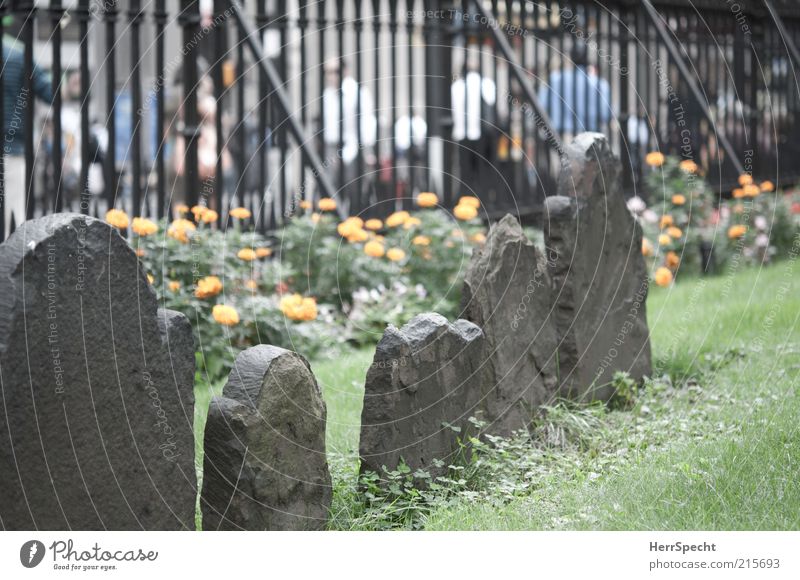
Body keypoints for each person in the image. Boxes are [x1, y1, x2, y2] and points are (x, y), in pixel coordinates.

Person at [2, 23, 54, 233]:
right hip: (13, 150)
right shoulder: (18, 55)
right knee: (13, 221)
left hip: (13, 148)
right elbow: (52, 93)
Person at [321, 59, 376, 197]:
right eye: (328, 72)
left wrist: (367, 151)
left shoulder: (358, 91)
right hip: (331, 148)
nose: (331, 76)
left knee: (353, 190)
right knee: (331, 191)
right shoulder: (327, 94)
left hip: (354, 147)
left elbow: (367, 121)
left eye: (335, 71)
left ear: (345, 70)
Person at [537, 43, 613, 135]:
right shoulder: (600, 84)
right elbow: (605, 114)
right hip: (588, 136)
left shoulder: (554, 79)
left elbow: (541, 106)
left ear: (571, 57)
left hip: (560, 136)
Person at [451, 66, 496, 193]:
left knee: (465, 172)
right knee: (482, 170)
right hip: (481, 134)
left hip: (462, 134)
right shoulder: (485, 83)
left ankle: (467, 199)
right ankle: (484, 198)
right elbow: (491, 102)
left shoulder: (456, 86)